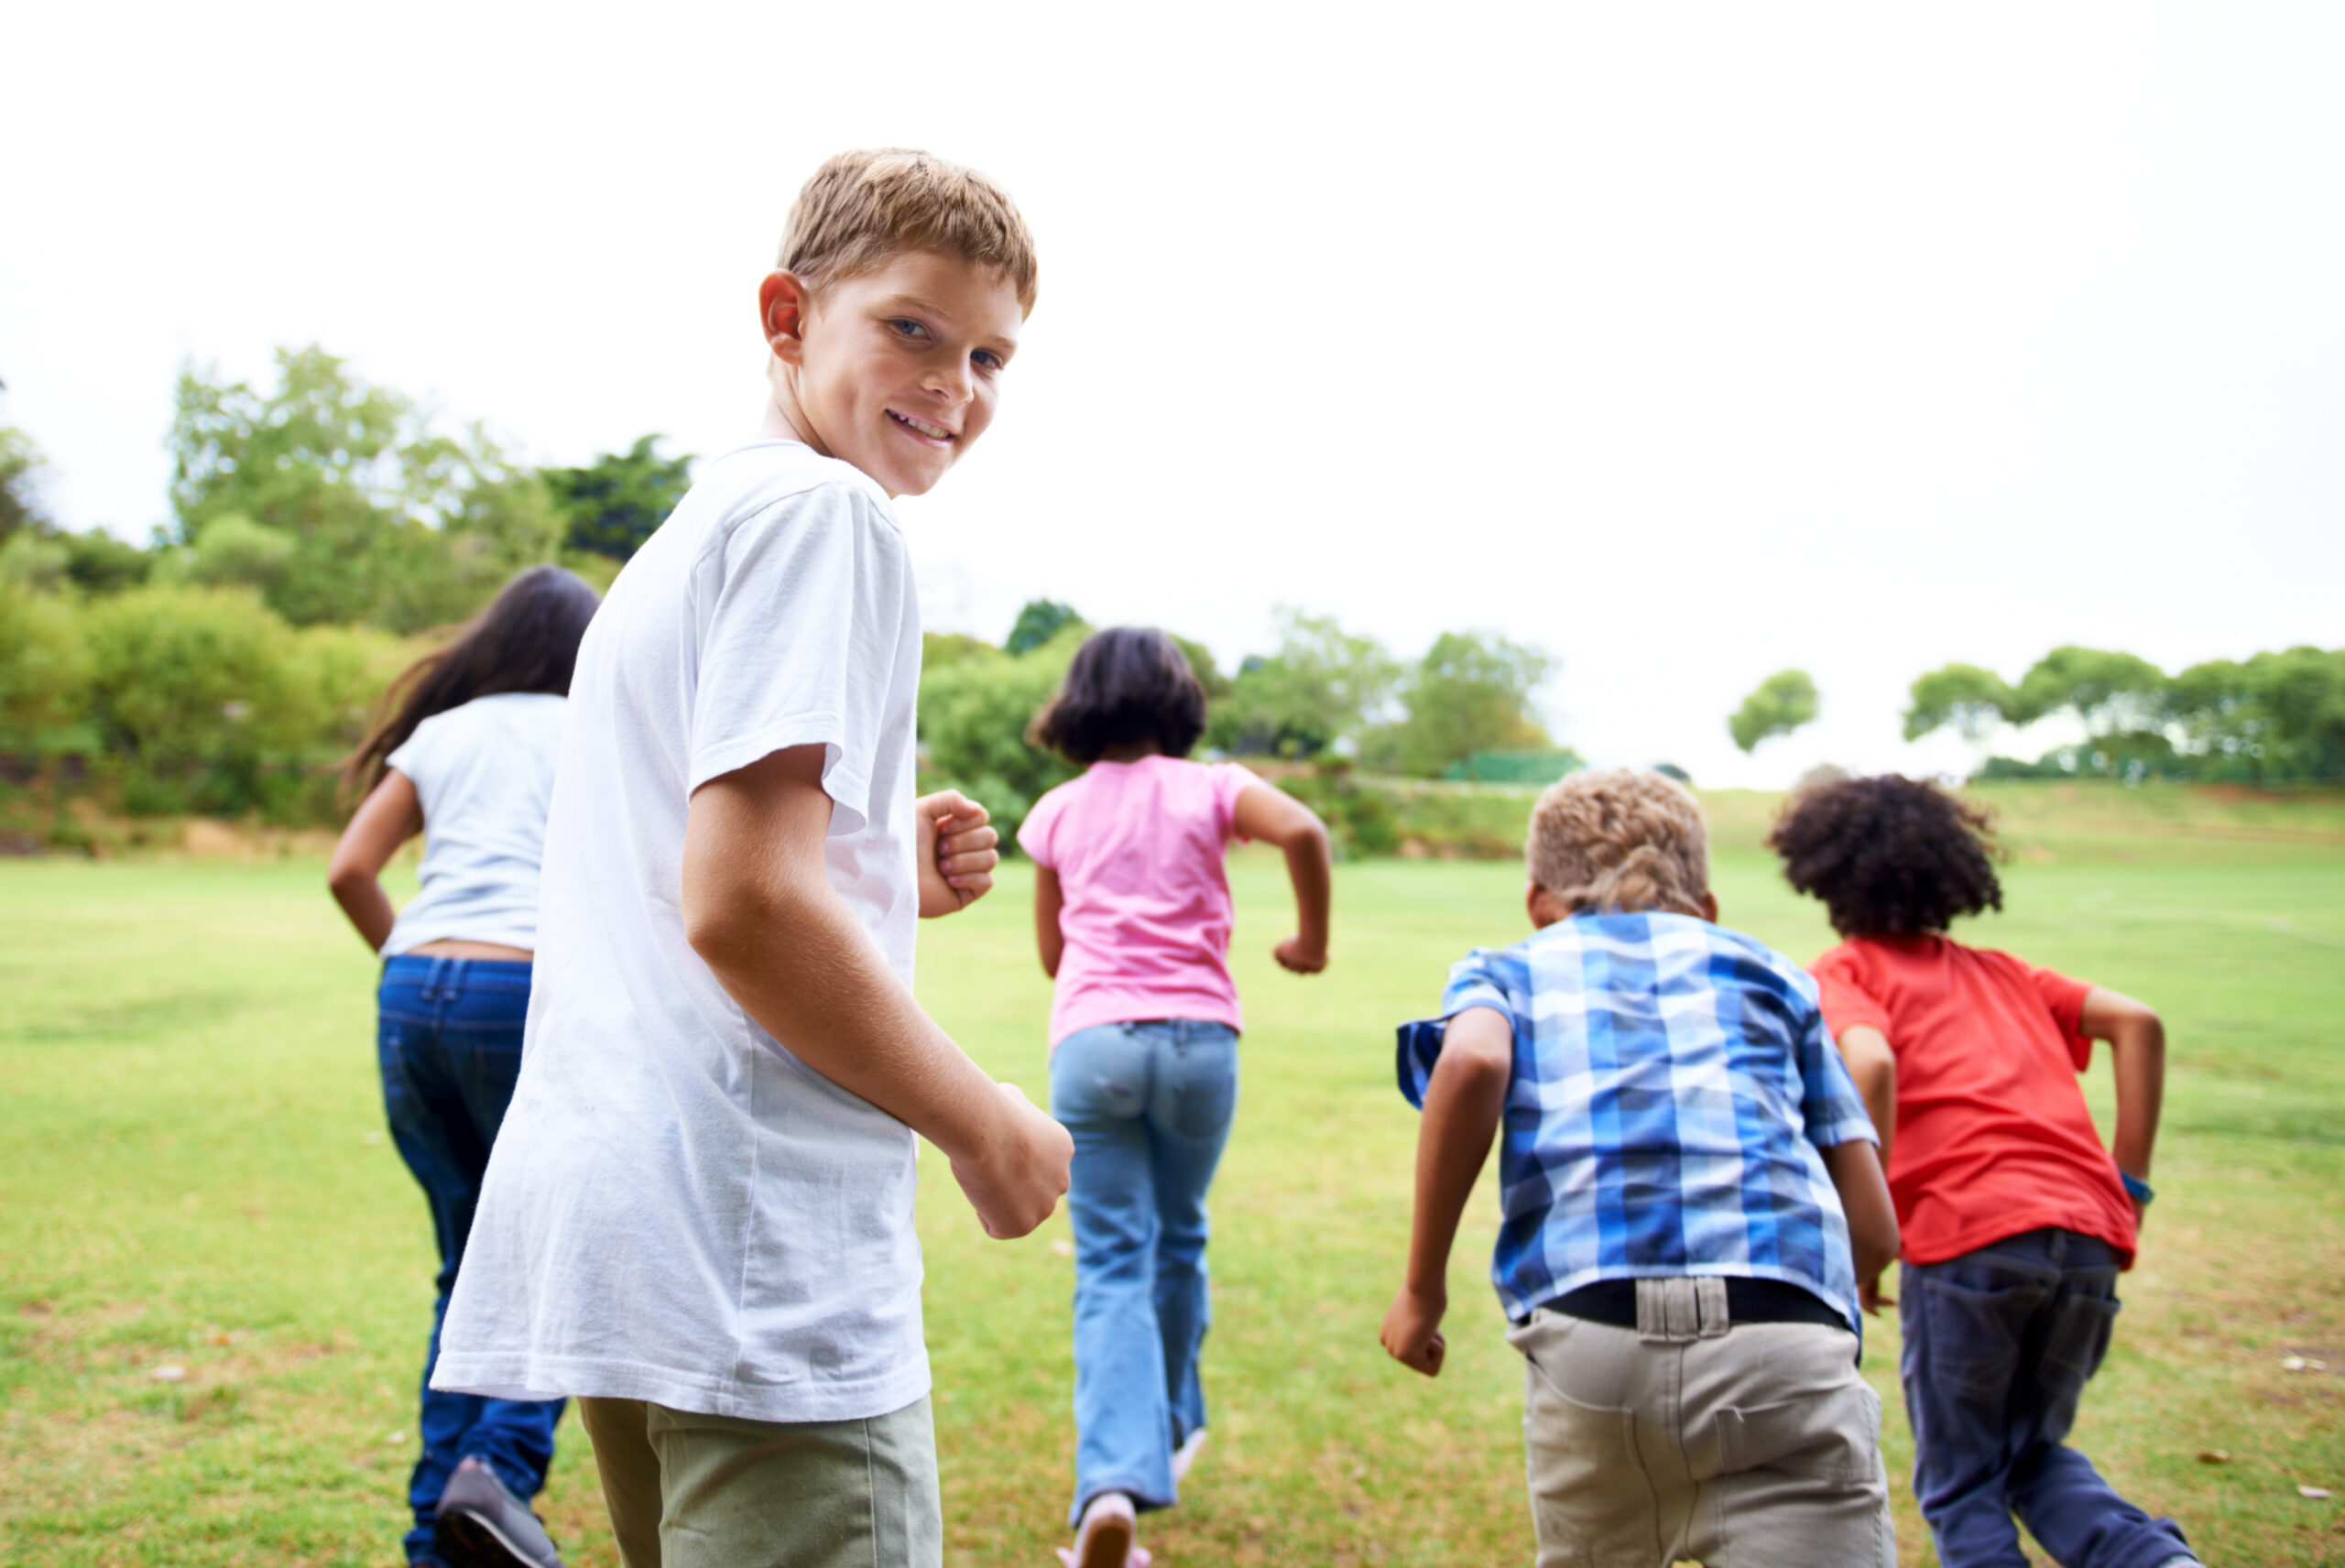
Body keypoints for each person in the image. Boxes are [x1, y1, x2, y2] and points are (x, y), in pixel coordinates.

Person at [424, 148, 1071, 1568]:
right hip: (753, 1245)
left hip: (628, 1236)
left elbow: (686, 864)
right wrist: (987, 1126)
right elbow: (745, 905)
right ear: (787, 317)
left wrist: (877, 858)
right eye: (910, 327)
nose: (954, 385)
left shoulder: (690, 534)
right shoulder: (825, 515)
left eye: (990, 356)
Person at [1379, 768, 1903, 1568]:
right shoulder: (1776, 975)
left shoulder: (1505, 970)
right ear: (1709, 910)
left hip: (1593, 1341)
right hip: (1783, 1339)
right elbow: (1873, 1231)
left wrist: (1422, 1290)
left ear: (1536, 903)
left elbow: (1475, 1061)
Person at [1770, 775, 2201, 1568]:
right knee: (2028, 1452)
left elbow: (1869, 1060)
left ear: (1822, 878)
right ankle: (2155, 1561)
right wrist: (2129, 1185)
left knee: (1961, 1481)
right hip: (2090, 1239)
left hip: (1969, 1241)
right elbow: (2138, 1023)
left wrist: (1868, 1230)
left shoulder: (1848, 972)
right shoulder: (2007, 973)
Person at [1016, 626, 1334, 1568]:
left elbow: (1052, 957)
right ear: (1179, 702)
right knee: (1181, 1233)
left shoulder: (1058, 811)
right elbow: (1306, 830)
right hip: (1201, 1042)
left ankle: (1113, 1478)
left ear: (1077, 706)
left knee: (1112, 1258)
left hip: (1093, 1043)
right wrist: (1309, 938)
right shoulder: (1213, 786)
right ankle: (1166, 1424)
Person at [326, 563, 603, 1568]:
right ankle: (493, 1473)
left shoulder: (443, 732)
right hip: (528, 991)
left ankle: (434, 1535)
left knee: (467, 1272)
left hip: (411, 993)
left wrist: (418, 963)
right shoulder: (592, 726)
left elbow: (349, 869)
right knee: (561, 1260)